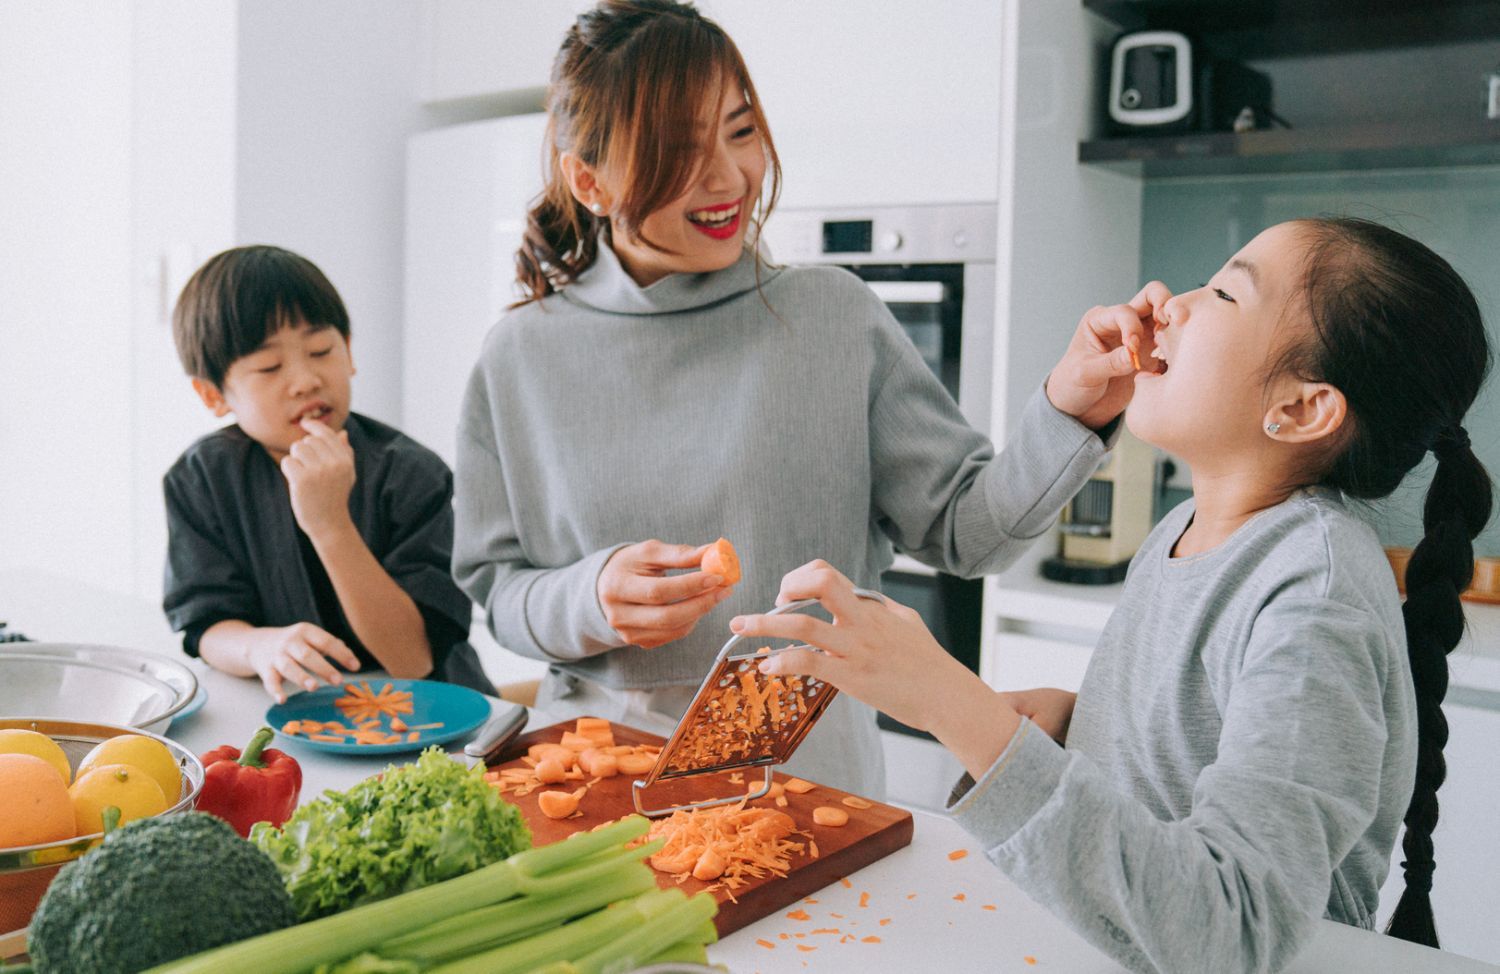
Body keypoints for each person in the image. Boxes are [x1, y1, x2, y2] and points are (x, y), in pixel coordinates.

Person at [736, 217, 1493, 971]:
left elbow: (1233, 930)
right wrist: (1088, 727)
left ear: (1301, 409)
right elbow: (1191, 765)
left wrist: (952, 706)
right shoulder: (1184, 531)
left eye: (1226, 294)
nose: (1169, 302)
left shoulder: (1315, 596)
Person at [452, 0, 1141, 796]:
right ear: (588, 181)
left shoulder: (833, 317)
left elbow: (968, 534)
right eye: (679, 149)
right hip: (597, 773)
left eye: (739, 131)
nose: (728, 177)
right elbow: (498, 593)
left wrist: (1073, 405)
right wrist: (590, 595)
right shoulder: (520, 356)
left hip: (811, 783)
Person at [163, 245, 491, 702]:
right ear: (213, 395)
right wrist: (259, 645)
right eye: (269, 366)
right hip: (295, 715)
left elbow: (413, 660)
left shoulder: (411, 473)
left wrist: (330, 524)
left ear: (349, 351)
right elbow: (205, 623)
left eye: (320, 351)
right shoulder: (200, 479)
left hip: (434, 720)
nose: (306, 380)